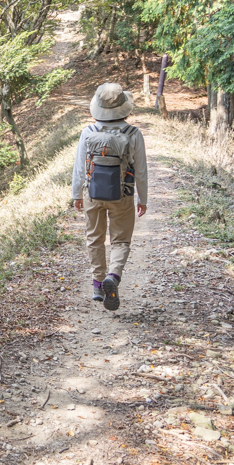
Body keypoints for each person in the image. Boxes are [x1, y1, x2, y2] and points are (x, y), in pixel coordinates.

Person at [71, 82, 148, 311]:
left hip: (92, 193)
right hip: (122, 194)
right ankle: (113, 277)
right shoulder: (133, 134)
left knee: (94, 238)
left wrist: (77, 194)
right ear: (124, 107)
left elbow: (78, 167)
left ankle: (97, 286)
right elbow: (141, 170)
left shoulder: (88, 132)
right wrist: (142, 199)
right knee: (120, 240)